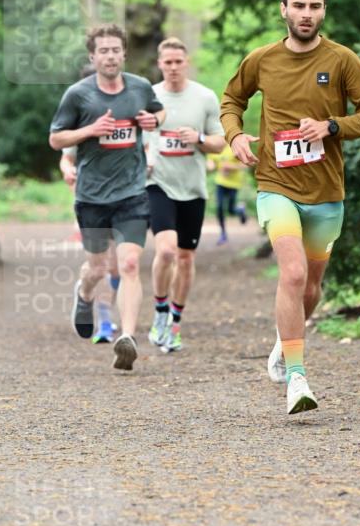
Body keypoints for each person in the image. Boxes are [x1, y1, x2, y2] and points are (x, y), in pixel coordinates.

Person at [220, 0, 360, 414]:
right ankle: (297, 378)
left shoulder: (343, 61)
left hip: (327, 192)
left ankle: (283, 340)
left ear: (323, 9)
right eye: (299, 6)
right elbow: (232, 100)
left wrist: (331, 126)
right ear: (284, 9)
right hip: (277, 184)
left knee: (311, 288)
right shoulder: (262, 59)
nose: (306, 14)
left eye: (314, 6)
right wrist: (234, 136)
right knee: (291, 275)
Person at [49, 24, 165, 371]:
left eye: (116, 50)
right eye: (103, 51)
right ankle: (83, 295)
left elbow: (160, 111)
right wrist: (90, 131)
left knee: (129, 264)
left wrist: (152, 120)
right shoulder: (78, 95)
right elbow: (56, 140)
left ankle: (126, 338)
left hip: (131, 192)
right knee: (98, 268)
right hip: (91, 196)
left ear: (124, 53)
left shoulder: (140, 87)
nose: (110, 56)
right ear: (92, 56)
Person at [145, 37, 225, 353]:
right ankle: (160, 312)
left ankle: (176, 323)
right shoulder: (147, 96)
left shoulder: (204, 97)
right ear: (159, 64)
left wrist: (199, 138)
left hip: (192, 188)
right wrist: (146, 153)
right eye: (168, 62)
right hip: (158, 184)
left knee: (186, 258)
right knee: (165, 251)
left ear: (186, 62)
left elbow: (220, 142)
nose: (174, 67)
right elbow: (138, 136)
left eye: (179, 61)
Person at [59, 144, 120, 343]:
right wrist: (69, 172)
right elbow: (67, 159)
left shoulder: (134, 117)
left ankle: (104, 311)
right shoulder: (83, 122)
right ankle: (104, 322)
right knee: (103, 266)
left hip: (125, 201)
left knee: (118, 267)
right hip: (91, 203)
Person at [208, 144, 249, 246]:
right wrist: (210, 165)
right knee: (219, 208)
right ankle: (223, 234)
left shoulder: (234, 146)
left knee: (230, 210)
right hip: (220, 182)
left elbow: (245, 164)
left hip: (234, 184)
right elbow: (211, 162)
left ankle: (240, 210)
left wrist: (231, 167)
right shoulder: (215, 147)